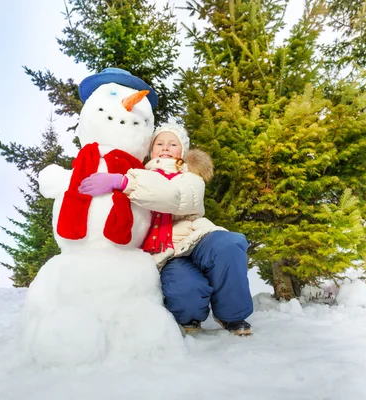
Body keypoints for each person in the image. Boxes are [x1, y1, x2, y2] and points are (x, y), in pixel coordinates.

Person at [78, 123, 254, 336]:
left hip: (197, 236)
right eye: (159, 143)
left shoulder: (191, 176)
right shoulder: (137, 174)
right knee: (184, 288)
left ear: (183, 151)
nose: (165, 148)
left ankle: (232, 316)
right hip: (166, 253)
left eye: (173, 144)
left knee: (229, 244)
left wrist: (123, 183)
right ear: (151, 150)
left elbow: (174, 199)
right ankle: (190, 319)